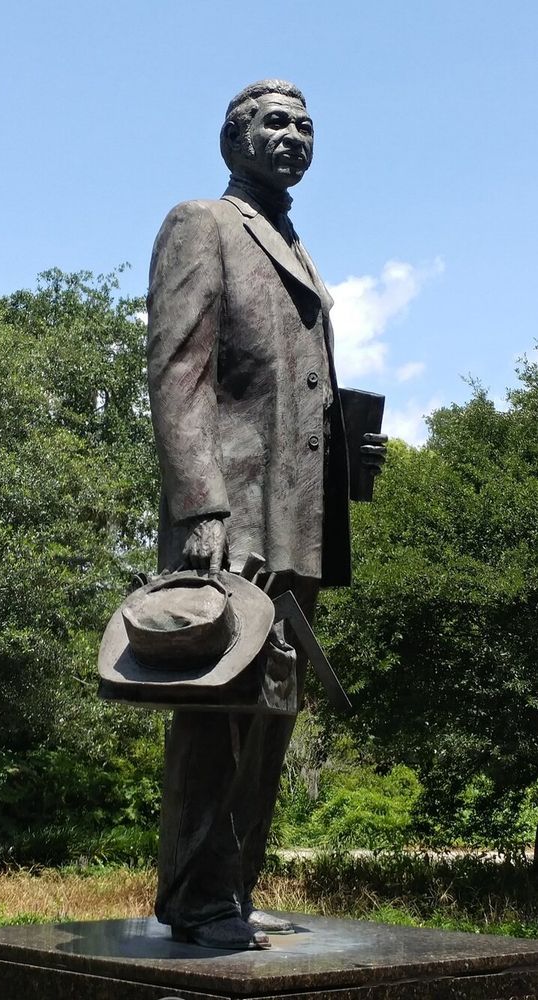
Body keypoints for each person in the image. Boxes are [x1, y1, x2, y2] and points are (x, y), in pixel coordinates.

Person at [146, 79, 386, 950]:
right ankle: (194, 896)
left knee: (271, 715)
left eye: (306, 125)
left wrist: (345, 448)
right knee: (216, 712)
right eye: (275, 123)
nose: (294, 137)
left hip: (300, 517)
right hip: (233, 515)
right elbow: (179, 373)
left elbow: (293, 387)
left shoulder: (296, 244)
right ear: (234, 139)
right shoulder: (201, 224)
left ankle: (232, 891)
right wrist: (200, 503)